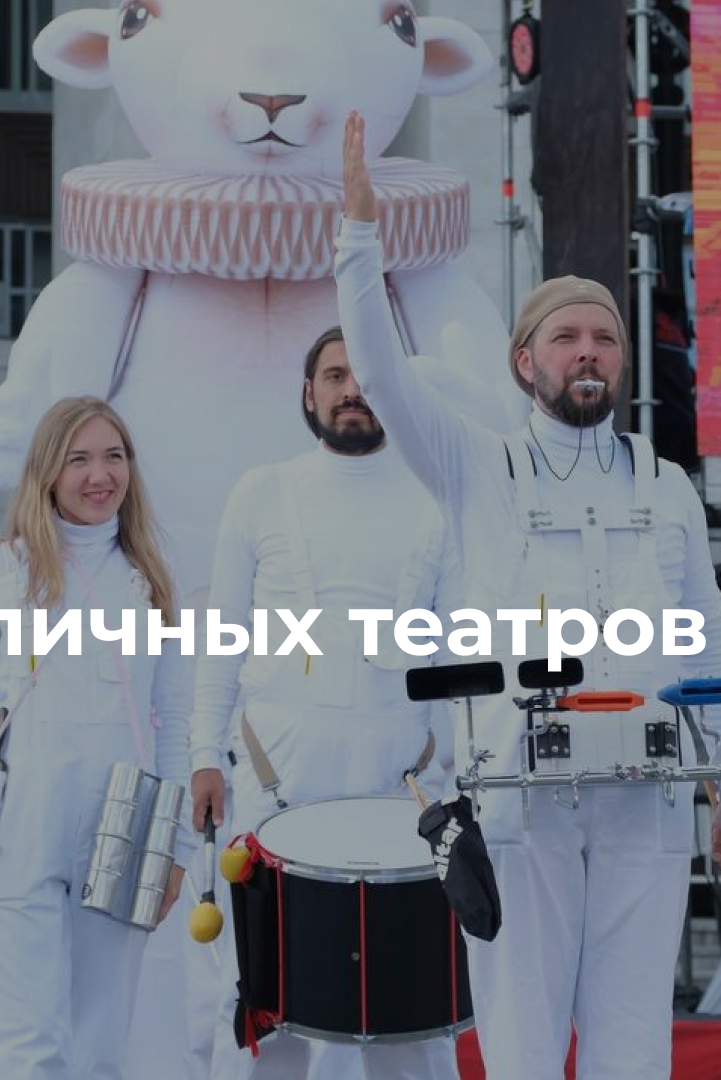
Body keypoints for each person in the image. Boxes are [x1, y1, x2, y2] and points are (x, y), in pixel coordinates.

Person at [333, 112, 721, 1079]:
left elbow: (709, 640)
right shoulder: (476, 467)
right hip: (521, 799)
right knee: (522, 1042)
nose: (588, 351)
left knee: (634, 1044)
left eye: (604, 337)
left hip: (647, 798)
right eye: (565, 337)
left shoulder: (666, 484)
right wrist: (359, 235)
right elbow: (383, 374)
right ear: (526, 363)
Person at [189, 328, 456, 1080]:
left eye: (366, 373)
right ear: (309, 394)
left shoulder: (438, 498)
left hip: (400, 794)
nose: (352, 389)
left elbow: (460, 653)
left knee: (410, 1009)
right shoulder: (261, 492)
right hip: (275, 789)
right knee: (258, 1002)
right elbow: (222, 639)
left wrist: (461, 778)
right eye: (335, 375)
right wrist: (204, 755)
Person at [0, 395, 195, 1080]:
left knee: (100, 1047)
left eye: (114, 457)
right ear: (47, 471)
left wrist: (177, 849)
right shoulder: (3, 570)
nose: (100, 475)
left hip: (125, 825)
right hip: (20, 823)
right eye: (79, 459)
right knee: (22, 1045)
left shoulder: (152, 576)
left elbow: (175, 718)